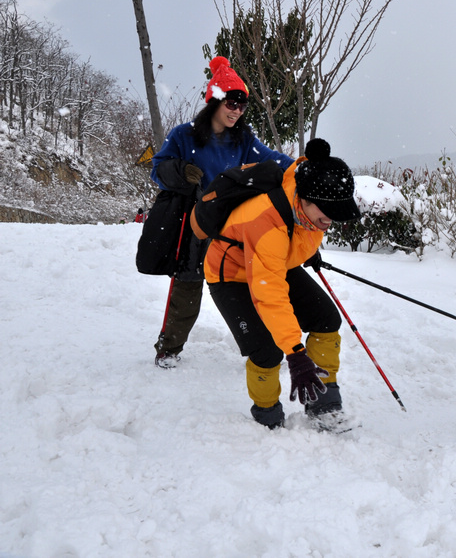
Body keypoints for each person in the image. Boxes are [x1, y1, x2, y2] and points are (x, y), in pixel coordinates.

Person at [205, 138, 362, 432]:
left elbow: (300, 232)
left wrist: (307, 251)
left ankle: (324, 400)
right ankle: (266, 414)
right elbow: (270, 295)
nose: (331, 221)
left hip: (272, 262)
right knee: (267, 349)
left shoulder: (306, 205)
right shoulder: (267, 222)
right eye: (327, 214)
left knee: (326, 319)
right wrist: (296, 353)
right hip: (231, 274)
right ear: (305, 199)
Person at [149, 56, 294, 369]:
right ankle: (169, 348)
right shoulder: (183, 136)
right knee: (187, 286)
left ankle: (264, 346)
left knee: (243, 282)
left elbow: (273, 162)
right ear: (214, 99)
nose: (236, 111)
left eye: (242, 106)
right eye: (232, 102)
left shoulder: (243, 140)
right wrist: (180, 170)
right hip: (193, 222)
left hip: (229, 224)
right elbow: (158, 169)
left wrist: (301, 170)